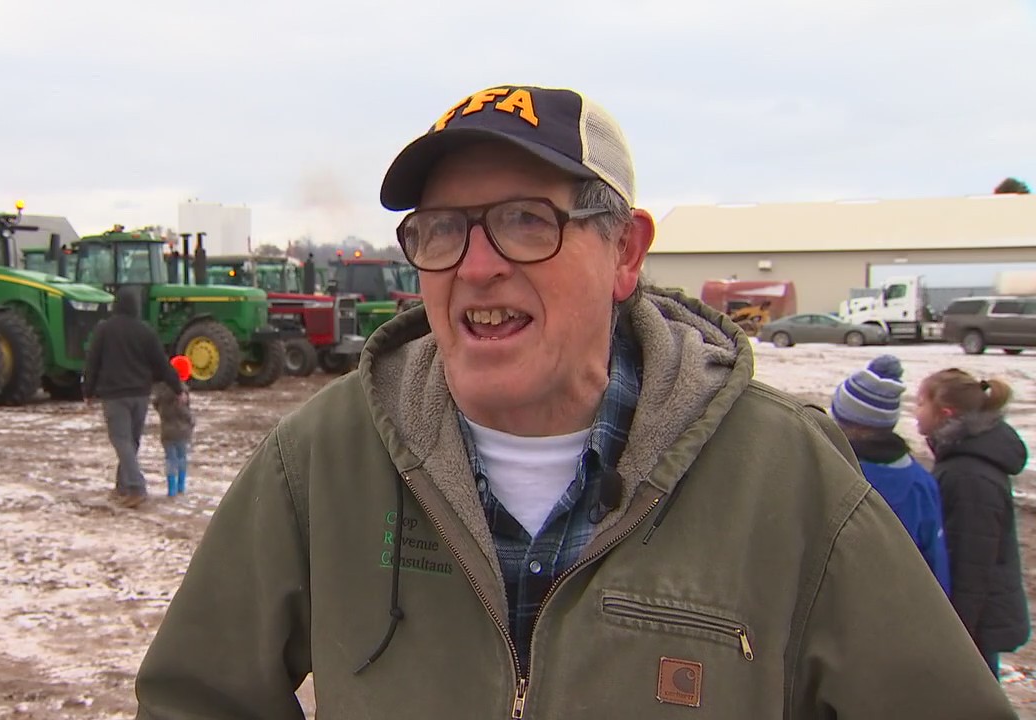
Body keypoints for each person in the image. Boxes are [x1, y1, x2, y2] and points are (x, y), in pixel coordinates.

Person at [135, 84, 1016, 717]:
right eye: (442, 230)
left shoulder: (786, 477)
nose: (477, 265)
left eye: (525, 220)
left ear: (625, 252)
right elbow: (195, 697)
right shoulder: (321, 460)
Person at [916, 367, 1031, 679]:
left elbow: (971, 563)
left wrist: (957, 635)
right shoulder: (965, 457)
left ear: (945, 413)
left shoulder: (967, 475)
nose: (915, 411)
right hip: (978, 616)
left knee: (972, 694)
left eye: (921, 403)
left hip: (975, 622)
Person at [831, 355, 951, 594]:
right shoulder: (920, 482)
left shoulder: (834, 473)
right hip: (902, 606)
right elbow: (935, 564)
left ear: (841, 419)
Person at [83, 287, 183, 508]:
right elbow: (162, 363)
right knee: (131, 441)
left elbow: (93, 361)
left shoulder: (104, 329)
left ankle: (136, 488)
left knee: (121, 441)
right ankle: (123, 487)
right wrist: (177, 388)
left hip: (114, 395)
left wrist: (88, 391)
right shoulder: (145, 331)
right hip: (140, 395)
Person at [153, 356, 195, 497]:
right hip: (182, 431)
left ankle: (171, 489)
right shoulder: (182, 392)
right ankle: (180, 487)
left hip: (166, 431)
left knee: (170, 459)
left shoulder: (161, 392)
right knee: (181, 458)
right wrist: (191, 420)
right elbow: (183, 411)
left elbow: (156, 405)